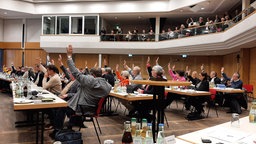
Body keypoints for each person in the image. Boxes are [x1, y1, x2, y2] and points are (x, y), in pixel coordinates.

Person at [50, 45, 112, 138]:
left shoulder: (90, 81)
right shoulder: (108, 86)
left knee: (61, 108)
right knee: (63, 104)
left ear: (93, 75)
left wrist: (69, 56)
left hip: (83, 108)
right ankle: (66, 126)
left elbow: (75, 72)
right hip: (92, 109)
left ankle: (57, 130)